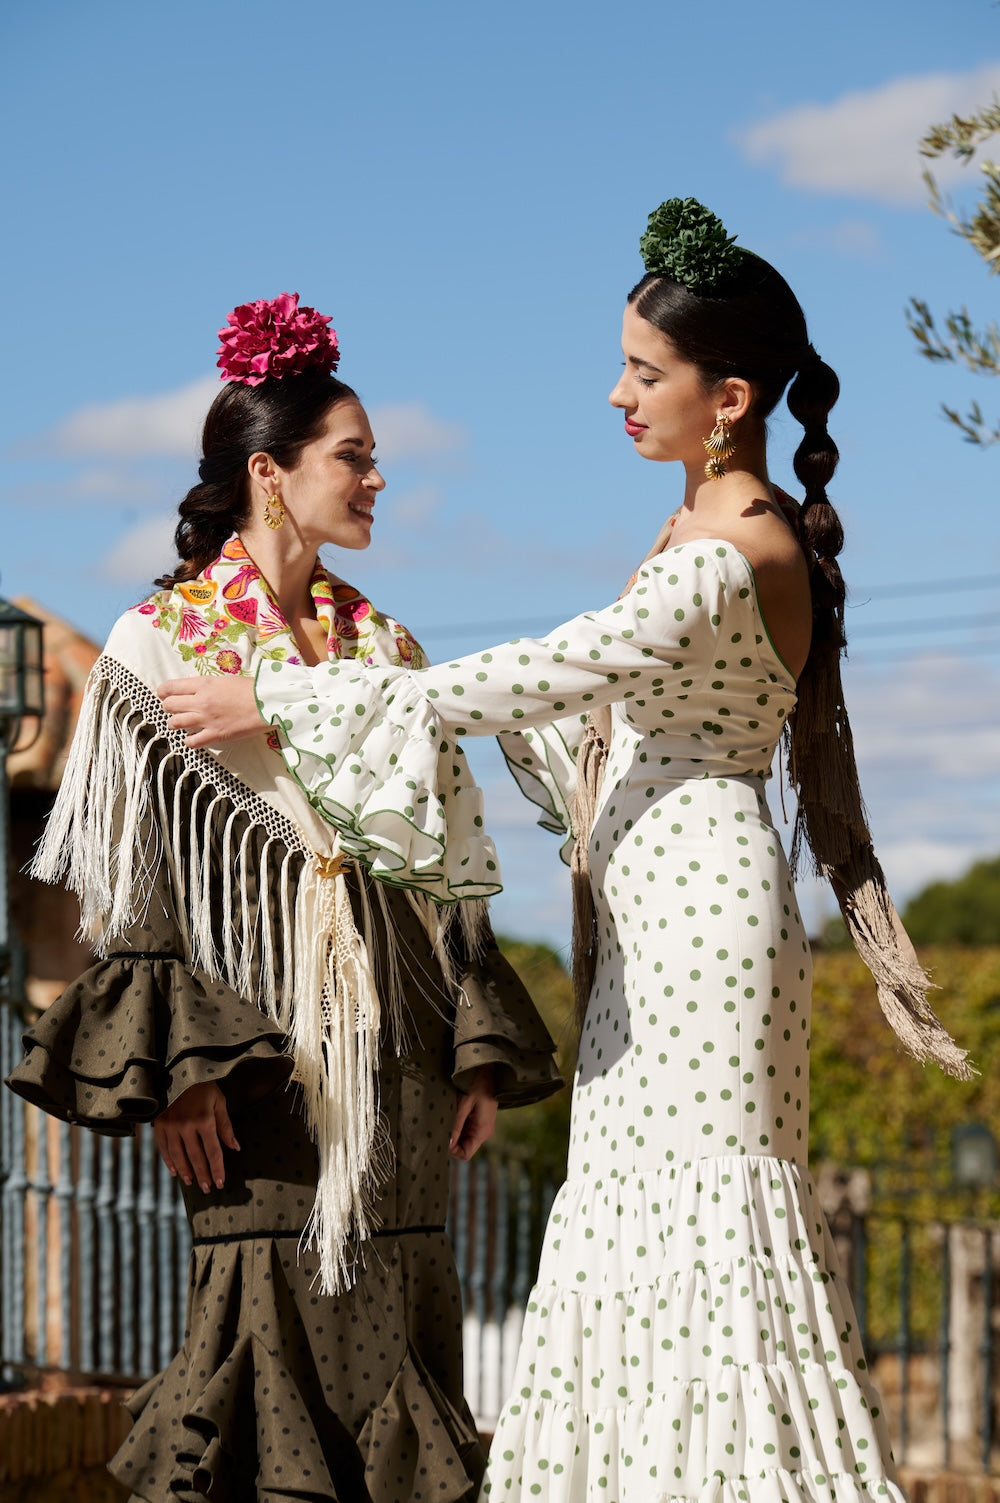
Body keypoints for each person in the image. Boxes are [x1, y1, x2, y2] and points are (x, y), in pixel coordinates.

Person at [157, 205, 971, 1500]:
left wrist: (294, 700)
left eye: (645, 370)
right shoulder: (690, 534)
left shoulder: (735, 545)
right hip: (646, 925)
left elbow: (544, 675)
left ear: (729, 399)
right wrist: (404, 707)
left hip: (702, 927)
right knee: (628, 1233)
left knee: (703, 1236)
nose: (616, 392)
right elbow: (569, 738)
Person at [6, 293, 562, 1503]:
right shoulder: (156, 640)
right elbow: (133, 871)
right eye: (352, 457)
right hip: (252, 1054)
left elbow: (439, 863)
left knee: (401, 1339)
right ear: (270, 472)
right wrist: (182, 1070)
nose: (376, 479)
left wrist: (474, 1050)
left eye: (374, 457)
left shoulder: (389, 648)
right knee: (256, 1324)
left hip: (403, 1056)